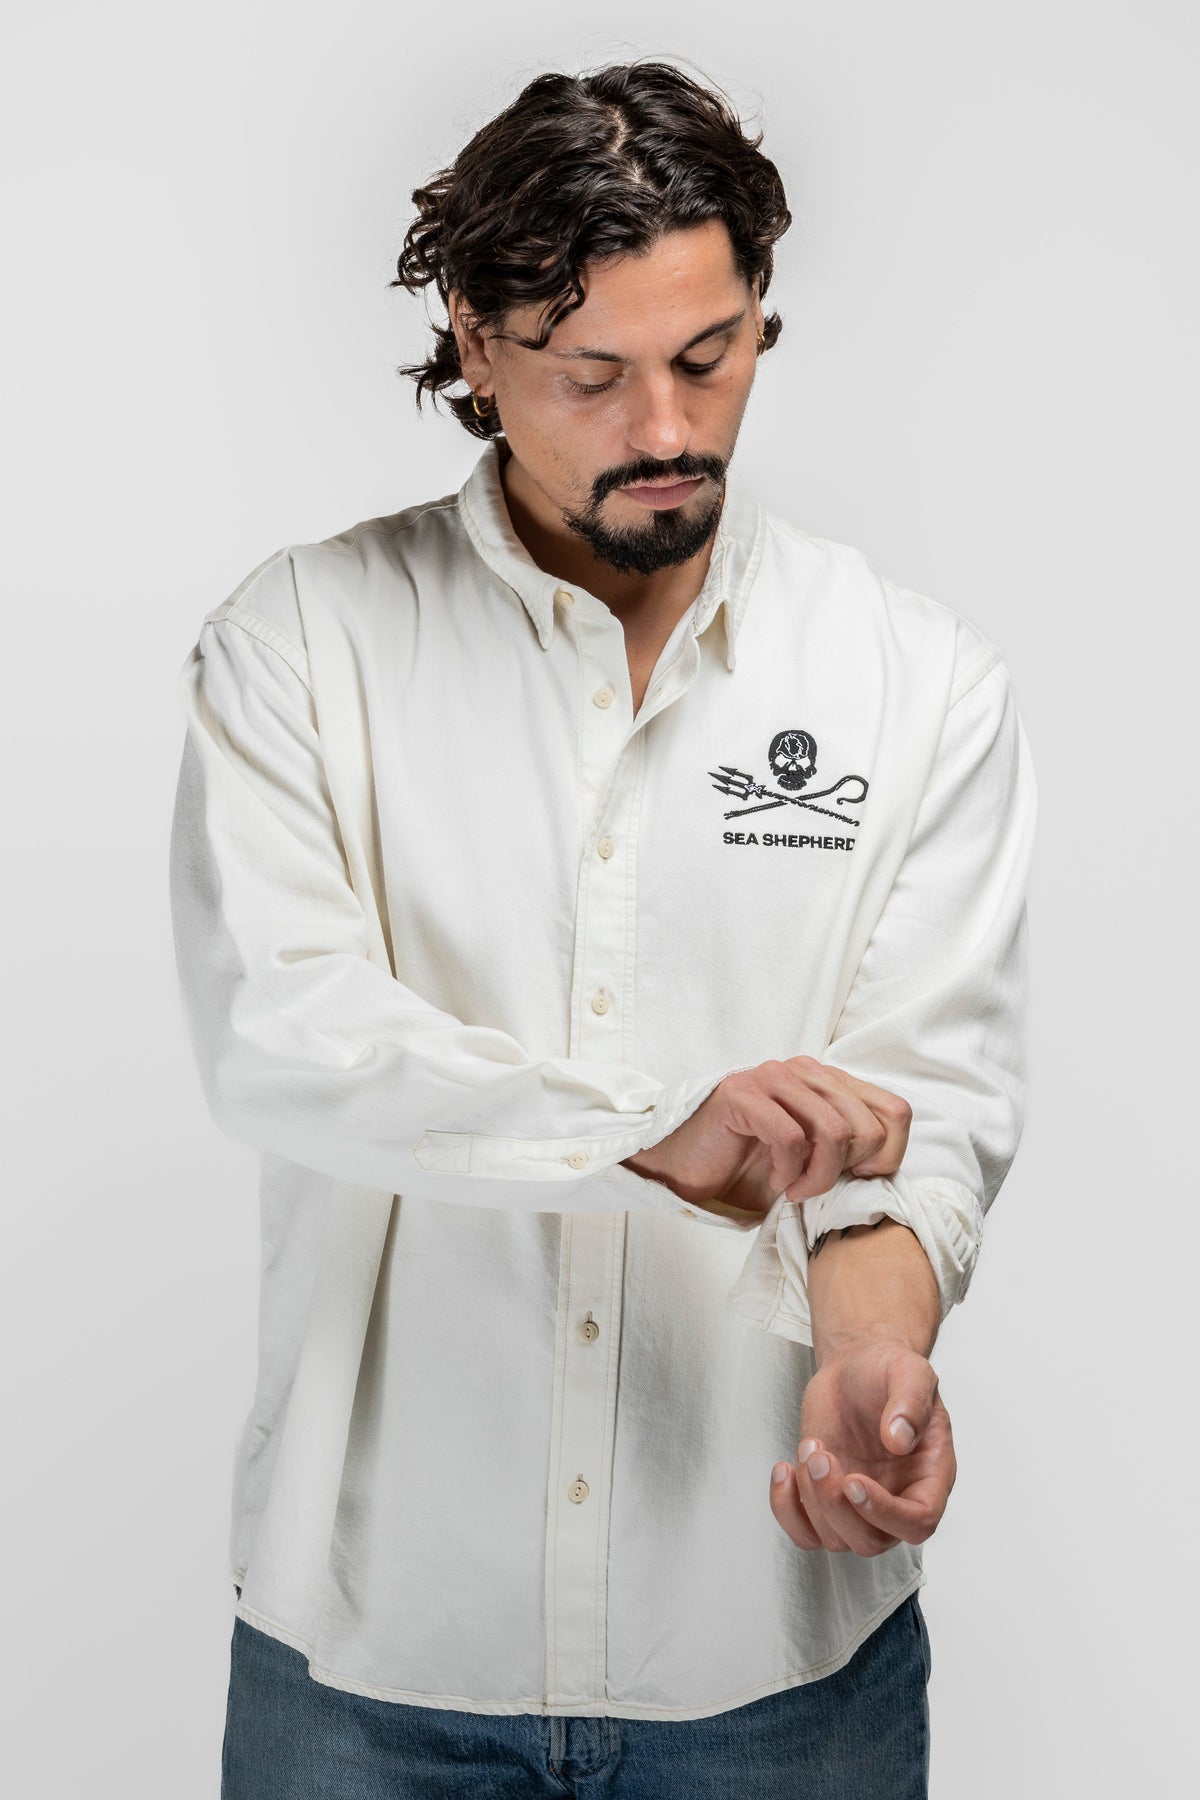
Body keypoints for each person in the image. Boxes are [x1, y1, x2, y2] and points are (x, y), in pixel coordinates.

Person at [168, 57, 1036, 1799]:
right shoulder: (302, 646)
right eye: (594, 375)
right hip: (375, 1657)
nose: (664, 430)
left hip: (774, 1650)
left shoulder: (917, 681)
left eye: (710, 359)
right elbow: (283, 1034)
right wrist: (645, 1136)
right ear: (476, 349)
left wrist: (874, 1362)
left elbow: (918, 1106)